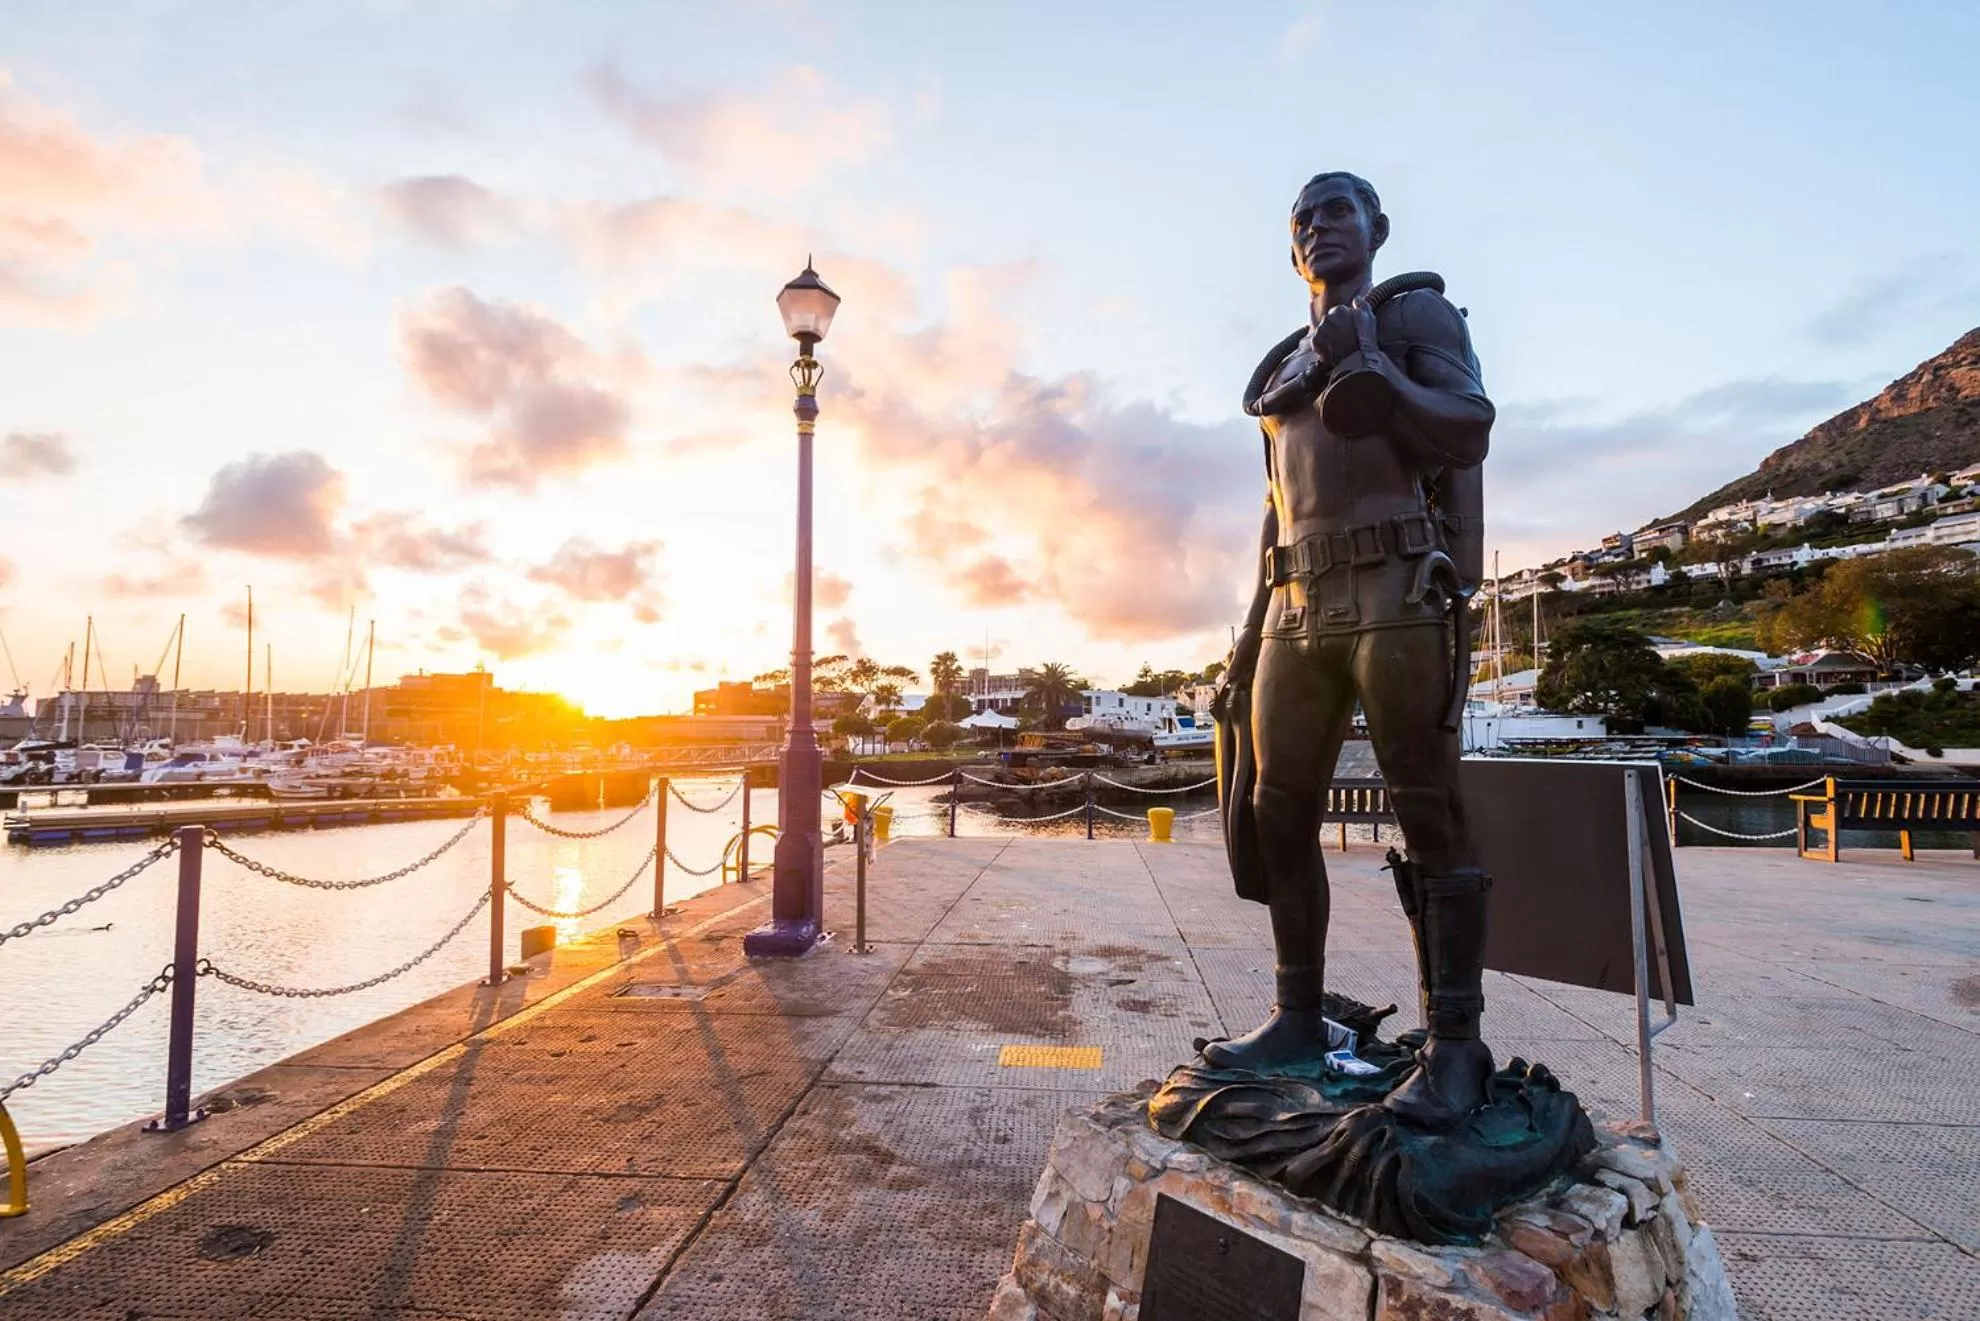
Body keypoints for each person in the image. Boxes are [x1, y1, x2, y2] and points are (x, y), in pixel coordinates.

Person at [1209, 171, 1496, 1128]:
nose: (1318, 225)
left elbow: (1469, 427)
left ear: (1378, 227)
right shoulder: (1282, 369)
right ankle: (1298, 1014)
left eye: (1337, 209)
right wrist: (1246, 643)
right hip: (1296, 602)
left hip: (1396, 584)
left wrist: (1373, 362)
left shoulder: (1415, 317)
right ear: (1291, 249)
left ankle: (1455, 1043)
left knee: (1428, 808)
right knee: (1275, 809)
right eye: (1303, 218)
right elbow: (1275, 510)